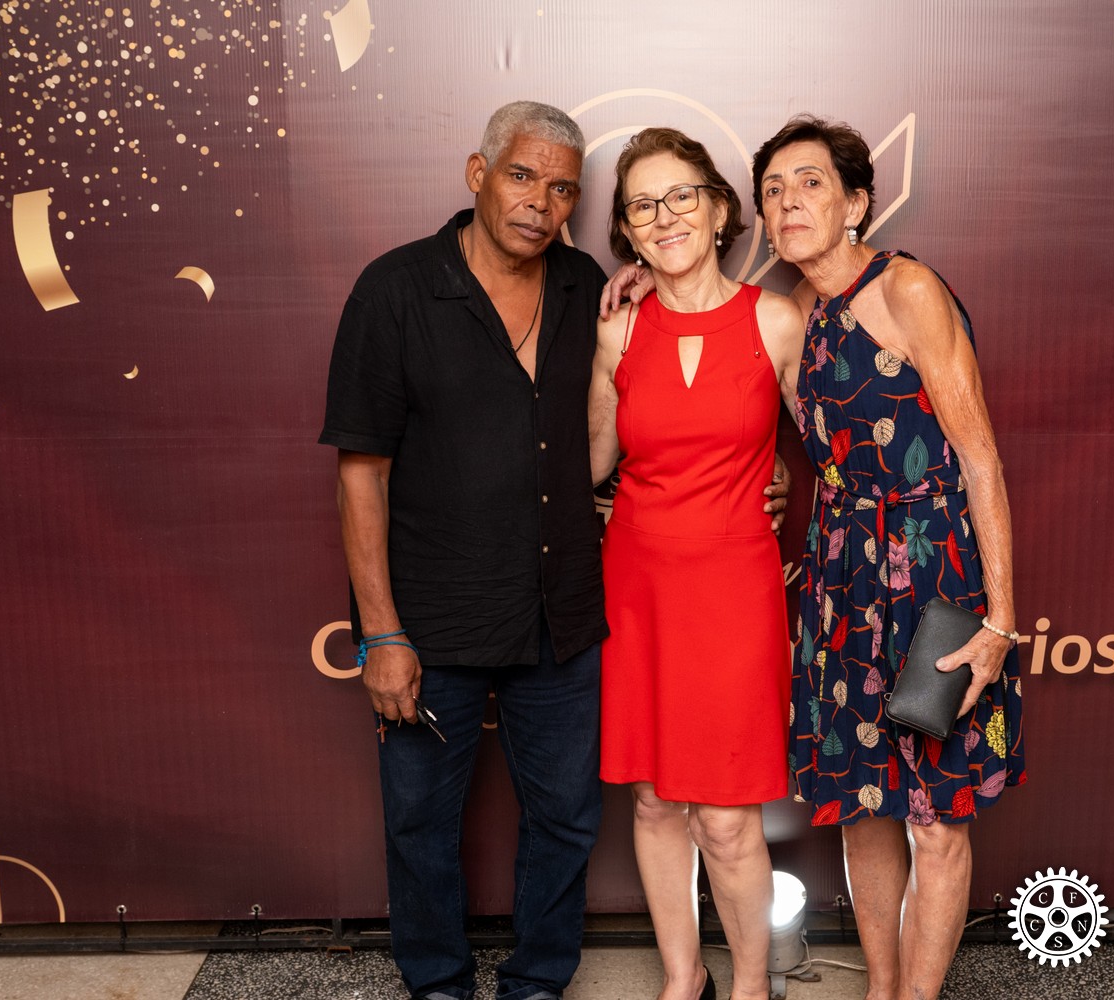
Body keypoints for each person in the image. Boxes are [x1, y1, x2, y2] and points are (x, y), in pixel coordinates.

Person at [320, 101, 607, 1000]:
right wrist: (381, 634)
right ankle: (438, 983)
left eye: (562, 189)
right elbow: (361, 475)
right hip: (430, 621)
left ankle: (539, 982)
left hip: (559, 612)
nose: (540, 203)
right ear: (478, 174)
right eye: (522, 176)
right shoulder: (395, 290)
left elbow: (638, 412)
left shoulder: (585, 285)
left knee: (567, 817)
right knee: (419, 825)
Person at [755, 115, 1026, 1000]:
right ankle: (881, 988)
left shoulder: (906, 289)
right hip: (841, 573)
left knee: (938, 817)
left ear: (856, 203)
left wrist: (999, 622)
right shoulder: (796, 316)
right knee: (863, 802)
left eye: (810, 183)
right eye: (772, 191)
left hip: (935, 567)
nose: (789, 202)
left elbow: (979, 457)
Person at [588, 128, 805, 1000]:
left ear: (719, 211)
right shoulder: (619, 328)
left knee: (725, 816)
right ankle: (684, 981)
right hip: (637, 587)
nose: (664, 216)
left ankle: (750, 986)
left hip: (734, 591)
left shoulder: (775, 320)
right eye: (642, 204)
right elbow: (591, 462)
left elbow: (833, 445)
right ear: (627, 232)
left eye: (682, 195)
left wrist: (784, 472)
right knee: (651, 800)